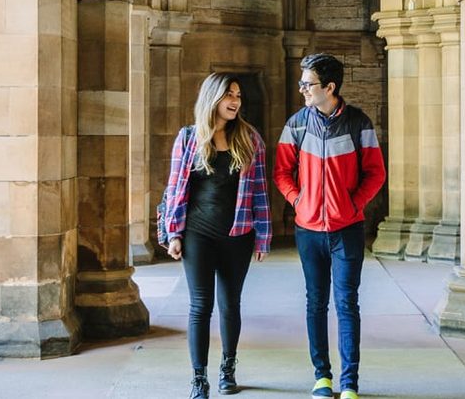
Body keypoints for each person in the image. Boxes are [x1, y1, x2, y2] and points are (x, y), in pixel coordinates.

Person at [274, 53, 386, 399]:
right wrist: (298, 200)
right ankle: (322, 377)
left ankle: (349, 382)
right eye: (302, 83)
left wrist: (353, 204)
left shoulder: (359, 123)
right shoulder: (296, 124)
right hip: (308, 231)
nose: (302, 90)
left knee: (347, 303)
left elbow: (375, 173)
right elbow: (282, 173)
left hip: (347, 229)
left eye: (308, 84)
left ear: (330, 87)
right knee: (315, 302)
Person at [157, 72, 272, 399]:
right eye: (228, 95)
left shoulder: (251, 139)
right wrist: (174, 233)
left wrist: (263, 236)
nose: (235, 101)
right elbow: (176, 188)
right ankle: (198, 379)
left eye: (237, 95)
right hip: (198, 234)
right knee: (200, 306)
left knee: (229, 304)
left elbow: (261, 193)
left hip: (238, 233)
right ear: (213, 98)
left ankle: (227, 369)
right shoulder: (188, 138)